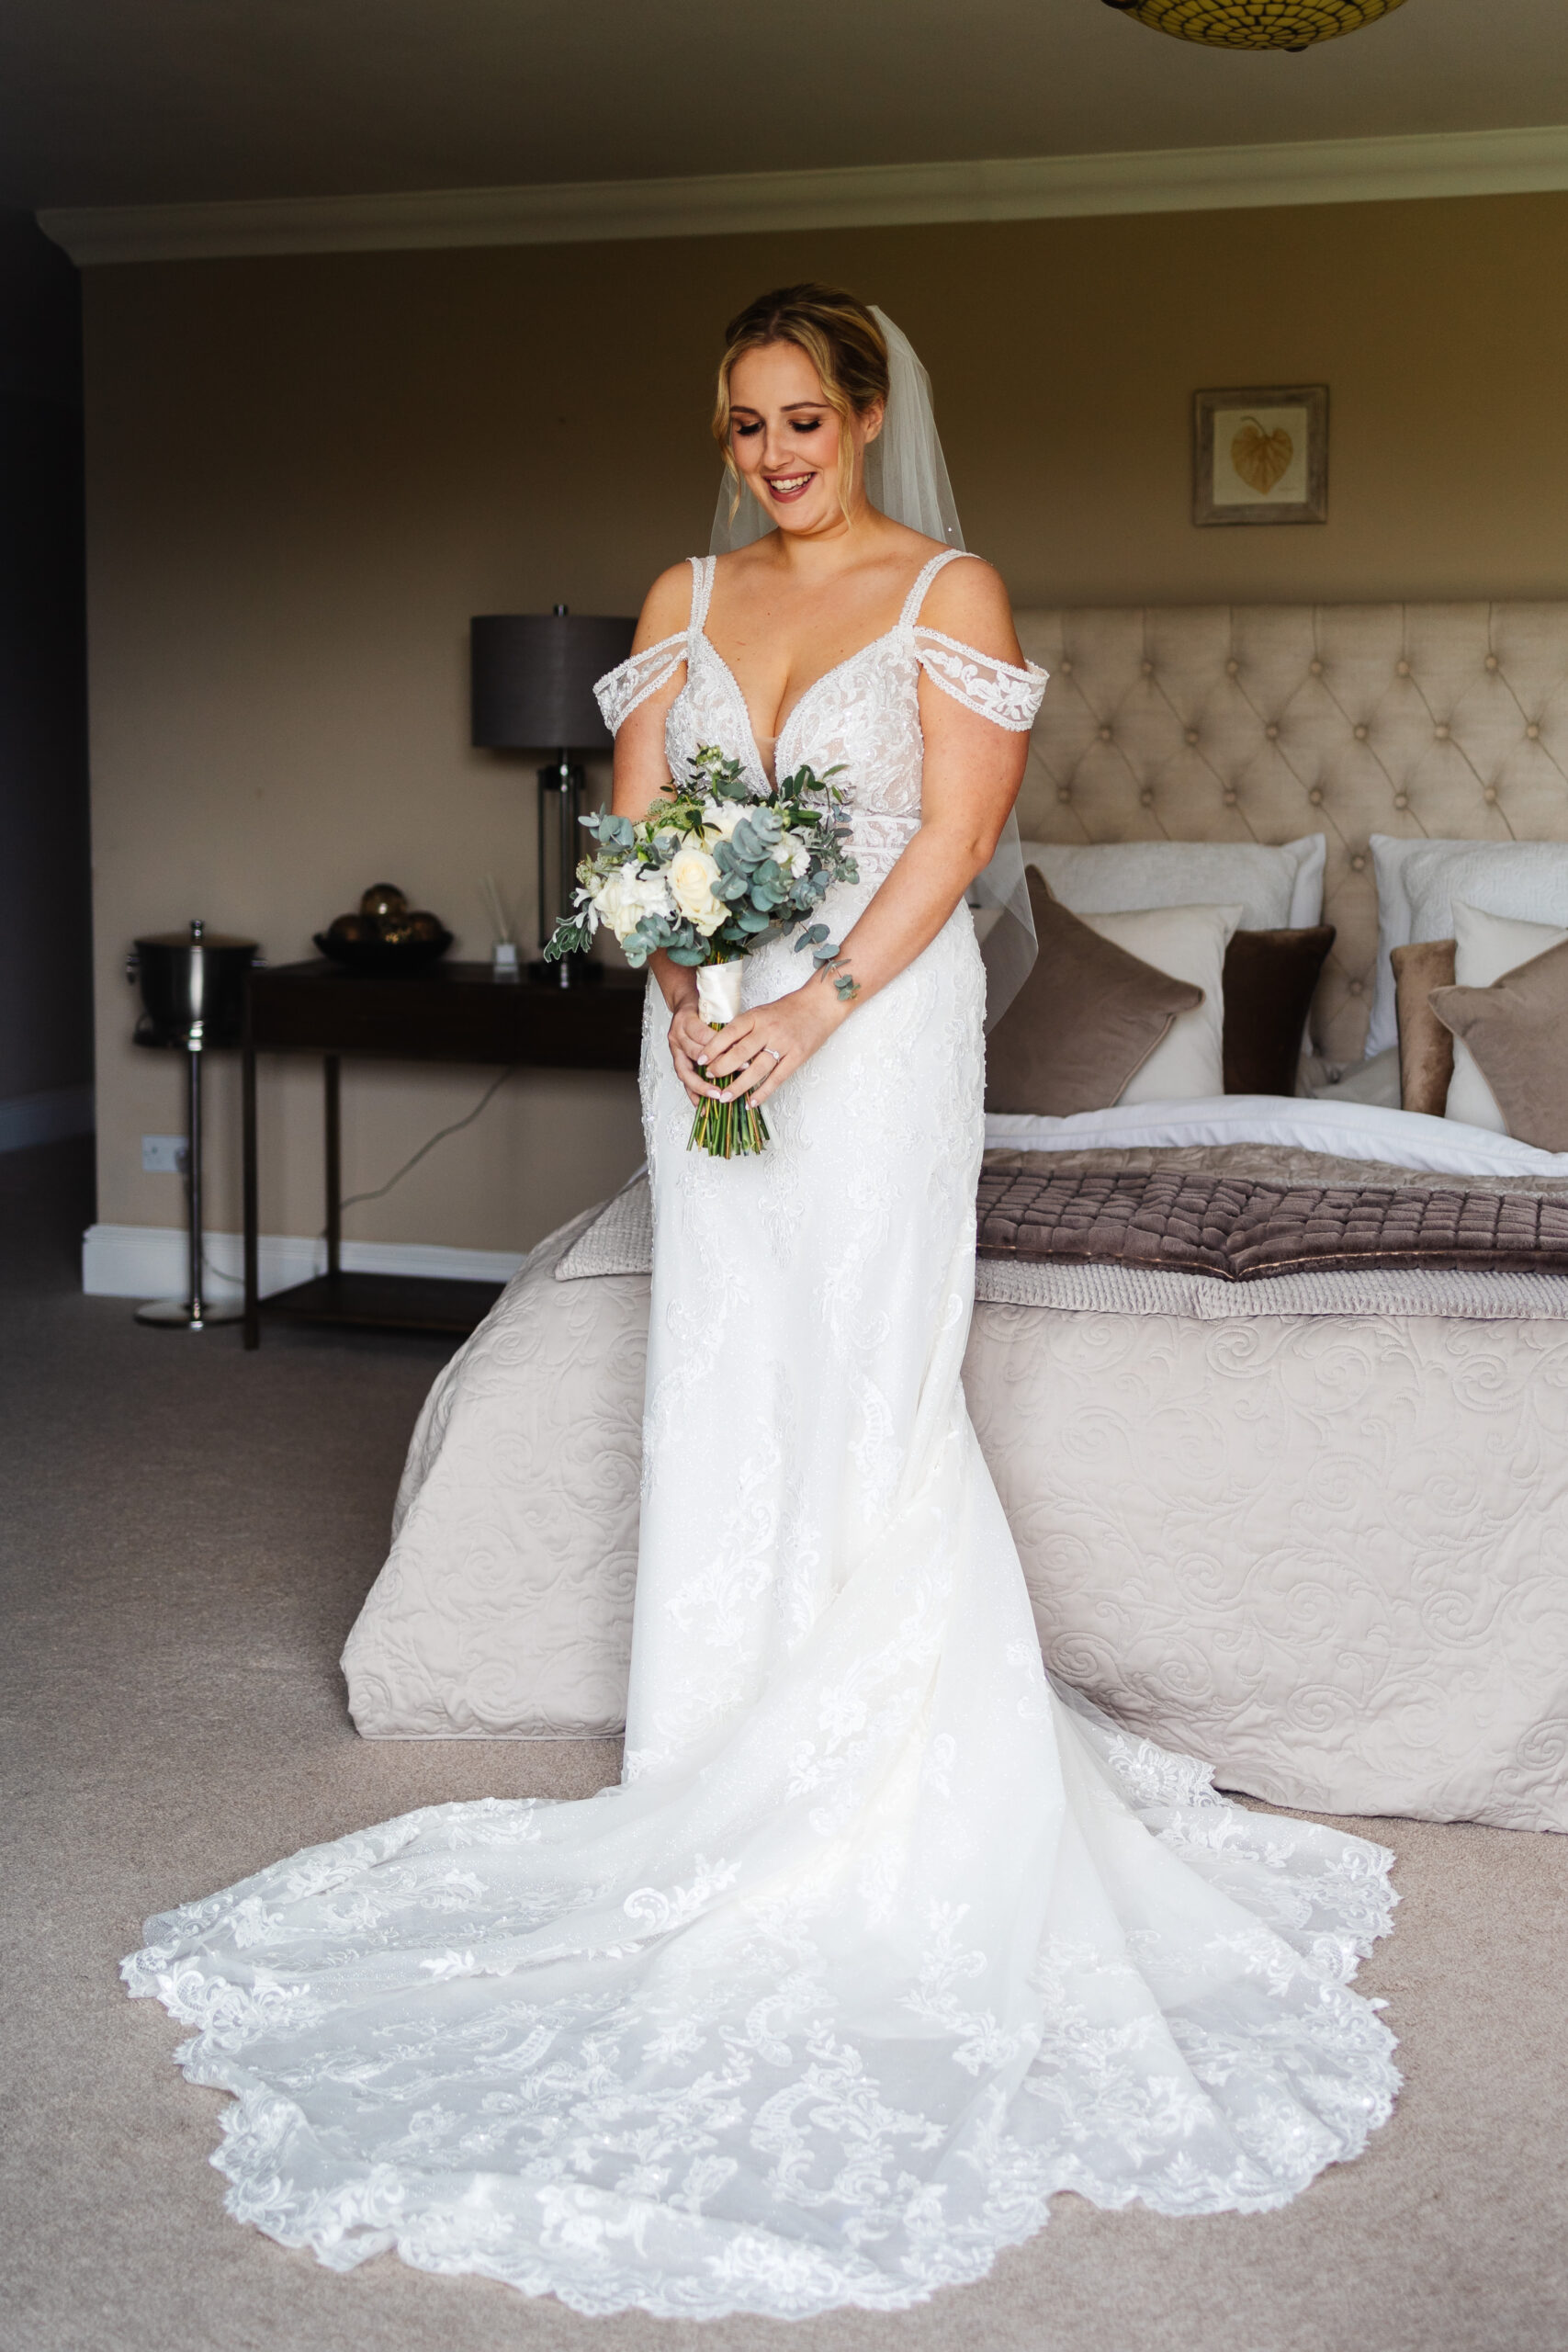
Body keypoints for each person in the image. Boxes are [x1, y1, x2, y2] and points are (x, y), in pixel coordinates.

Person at [125, 285, 1398, 2323]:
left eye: (803, 419)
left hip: (876, 1045)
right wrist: (690, 985)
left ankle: (875, 1783)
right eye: (744, 425)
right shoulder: (683, 587)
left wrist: (805, 1003)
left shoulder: (949, 591)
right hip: (707, 1033)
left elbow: (961, 838)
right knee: (718, 1377)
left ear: (868, 412)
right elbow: (631, 835)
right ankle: (703, 1759)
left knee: (861, 1380)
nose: (774, 455)